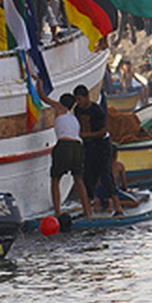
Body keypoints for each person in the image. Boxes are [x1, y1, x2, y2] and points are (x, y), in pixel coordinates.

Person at [35, 77, 91, 219]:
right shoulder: (73, 118)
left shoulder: (60, 109)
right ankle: (88, 212)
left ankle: (57, 212)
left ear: (61, 103)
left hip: (65, 145)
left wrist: (38, 82)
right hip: (78, 146)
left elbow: (43, 97)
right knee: (79, 179)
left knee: (55, 179)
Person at [74, 84, 122, 216]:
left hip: (101, 145)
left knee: (106, 175)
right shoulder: (78, 110)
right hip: (89, 146)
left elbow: (103, 131)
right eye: (76, 100)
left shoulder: (97, 111)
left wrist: (87, 135)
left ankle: (118, 208)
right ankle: (87, 210)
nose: (78, 102)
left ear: (87, 97)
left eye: (80, 99)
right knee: (88, 177)